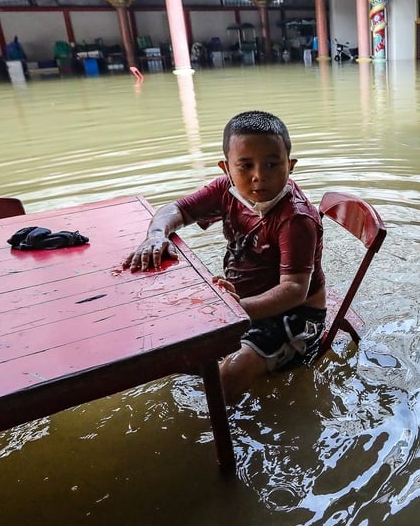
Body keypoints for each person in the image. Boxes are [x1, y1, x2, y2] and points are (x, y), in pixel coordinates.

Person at [123, 110, 326, 399]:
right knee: (170, 342)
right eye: (245, 166)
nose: (259, 176)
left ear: (290, 165)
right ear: (226, 169)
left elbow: (294, 290)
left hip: (296, 314)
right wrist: (156, 235)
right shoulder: (225, 191)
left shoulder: (296, 218)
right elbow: (175, 211)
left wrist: (233, 309)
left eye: (272, 164)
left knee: (229, 376)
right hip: (239, 302)